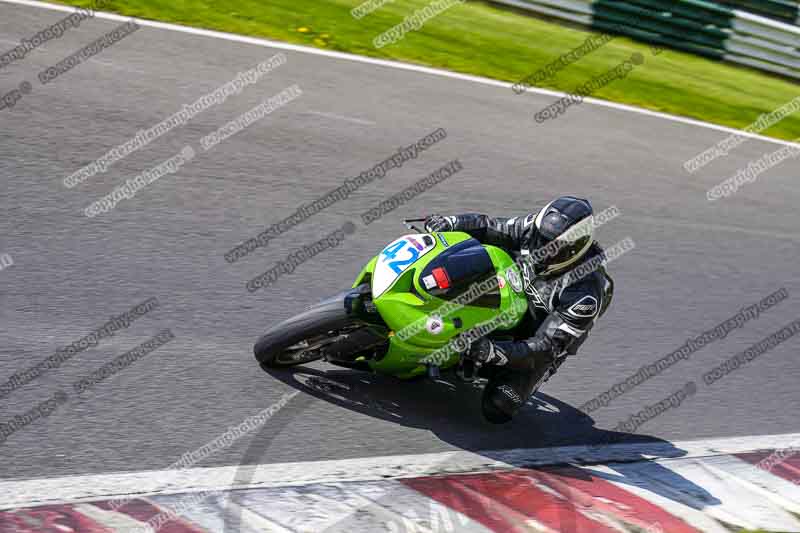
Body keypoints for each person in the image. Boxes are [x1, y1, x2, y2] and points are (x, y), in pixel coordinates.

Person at [424, 196, 614, 423]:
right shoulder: (533, 229)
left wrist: (494, 351)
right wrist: (451, 222)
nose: (541, 249)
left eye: (552, 247)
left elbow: (546, 346)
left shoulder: (584, 293)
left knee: (499, 406)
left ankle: (488, 365)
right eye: (540, 239)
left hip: (536, 337)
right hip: (509, 296)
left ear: (572, 251)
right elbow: (491, 227)